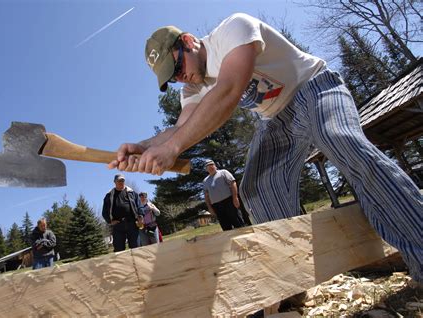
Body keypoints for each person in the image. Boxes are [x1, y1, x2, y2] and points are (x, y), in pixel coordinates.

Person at [108, 13, 422, 282]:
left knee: (341, 140)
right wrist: (142, 146)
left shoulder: (233, 29)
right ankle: (292, 284)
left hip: (314, 88)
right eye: (171, 78)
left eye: (177, 68)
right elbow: (180, 128)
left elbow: (230, 89)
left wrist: (173, 147)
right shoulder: (193, 87)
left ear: (188, 42)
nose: (180, 79)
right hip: (275, 120)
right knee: (256, 188)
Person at [102, 173, 144, 252]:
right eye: (119, 181)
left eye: (122, 180)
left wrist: (141, 216)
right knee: (119, 250)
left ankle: (138, 263)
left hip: (132, 223)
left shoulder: (132, 193)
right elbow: (104, 212)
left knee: (136, 248)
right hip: (118, 226)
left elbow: (140, 206)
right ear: (115, 182)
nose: (121, 182)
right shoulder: (109, 196)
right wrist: (110, 221)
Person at [203, 159, 245, 231]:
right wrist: (210, 208)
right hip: (217, 206)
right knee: (226, 227)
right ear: (206, 169)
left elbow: (233, 183)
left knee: (238, 223)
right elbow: (207, 196)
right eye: (208, 166)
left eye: (212, 164)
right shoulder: (205, 181)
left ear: (215, 166)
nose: (210, 167)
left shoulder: (223, 172)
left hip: (229, 201)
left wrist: (235, 198)